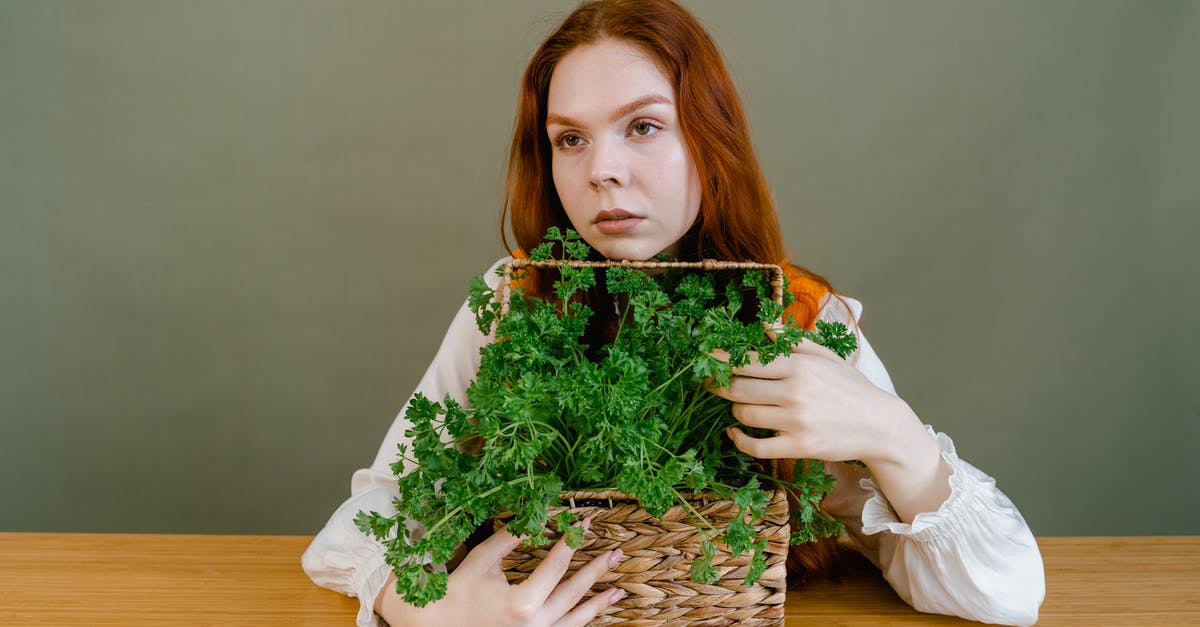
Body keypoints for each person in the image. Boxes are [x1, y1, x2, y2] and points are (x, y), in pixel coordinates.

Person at [302, 1, 1046, 625]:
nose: (603, 171)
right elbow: (368, 520)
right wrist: (422, 608)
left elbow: (1009, 591)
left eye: (644, 126)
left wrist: (895, 436)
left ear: (709, 138)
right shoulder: (514, 304)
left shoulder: (798, 316)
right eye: (570, 138)